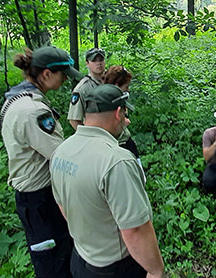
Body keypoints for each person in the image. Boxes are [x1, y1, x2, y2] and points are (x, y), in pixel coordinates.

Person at [50, 84, 164, 278]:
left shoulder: (61, 151)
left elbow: (63, 206)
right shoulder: (116, 161)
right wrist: (156, 270)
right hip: (116, 269)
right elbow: (135, 229)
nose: (127, 121)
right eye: (126, 114)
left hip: (80, 261)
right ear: (118, 113)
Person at [0, 46, 83, 278]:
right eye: (63, 74)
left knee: (52, 253)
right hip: (41, 199)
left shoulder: (17, 100)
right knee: (54, 260)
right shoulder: (33, 111)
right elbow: (60, 156)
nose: (66, 79)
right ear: (46, 74)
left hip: (34, 199)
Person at [101, 65, 139, 158]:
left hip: (126, 143)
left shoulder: (120, 99)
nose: (128, 89)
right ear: (117, 85)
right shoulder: (104, 102)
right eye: (126, 86)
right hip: (117, 146)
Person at [68, 47, 105, 130]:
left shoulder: (111, 81)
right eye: (94, 60)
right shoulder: (82, 88)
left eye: (101, 60)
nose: (98, 63)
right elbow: (74, 120)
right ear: (87, 63)